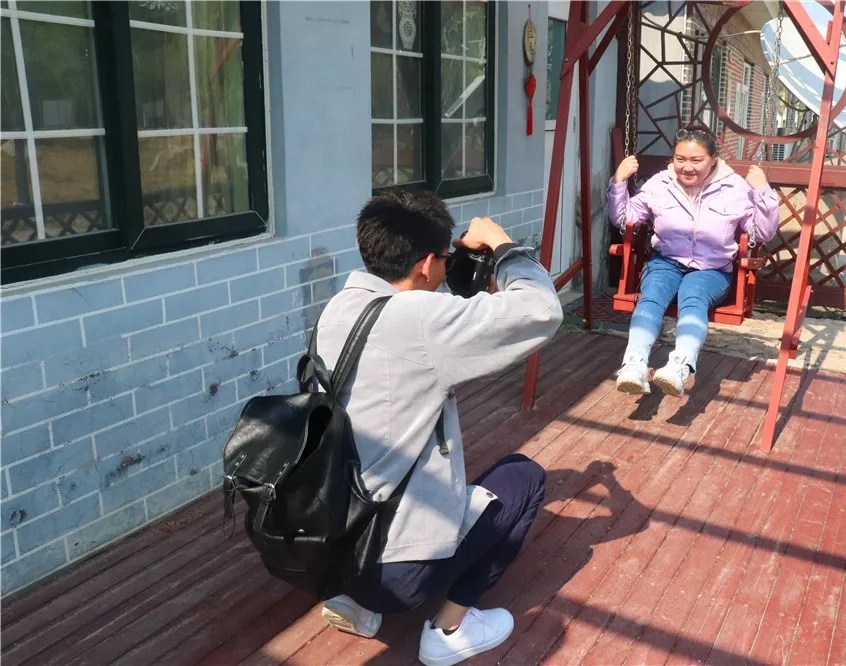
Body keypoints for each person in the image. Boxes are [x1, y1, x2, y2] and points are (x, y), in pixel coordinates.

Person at [313, 189, 563, 666]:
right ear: (427, 264)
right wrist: (503, 246)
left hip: (334, 546)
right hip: (398, 574)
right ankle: (449, 629)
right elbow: (541, 310)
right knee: (523, 477)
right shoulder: (422, 322)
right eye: (445, 259)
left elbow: (419, 322)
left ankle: (356, 602)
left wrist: (457, 271)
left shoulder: (341, 308)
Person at [607, 126, 780, 397]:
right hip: (666, 262)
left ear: (713, 160)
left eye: (696, 160)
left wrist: (763, 192)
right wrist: (619, 181)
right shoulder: (659, 185)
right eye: (680, 159)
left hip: (712, 269)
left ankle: (680, 365)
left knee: (693, 296)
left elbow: (763, 233)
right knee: (651, 296)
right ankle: (634, 363)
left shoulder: (735, 188)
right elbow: (623, 219)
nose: (687, 167)